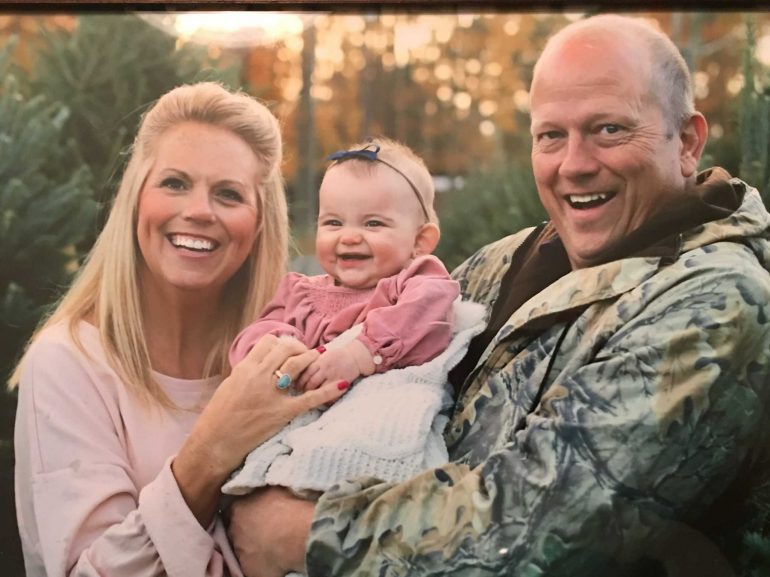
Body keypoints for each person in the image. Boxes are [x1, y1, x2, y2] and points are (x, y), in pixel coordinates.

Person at [227, 14, 770, 577]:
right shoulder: (515, 257)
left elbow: (536, 526)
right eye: (550, 136)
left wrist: (303, 533)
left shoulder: (714, 299)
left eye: (609, 129)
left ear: (686, 142)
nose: (574, 165)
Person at [12, 82, 347, 577]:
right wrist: (212, 447)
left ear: (257, 225)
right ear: (135, 200)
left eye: (228, 194)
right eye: (174, 183)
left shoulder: (282, 356)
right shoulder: (68, 363)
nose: (198, 211)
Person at [220, 138, 484, 500]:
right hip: (304, 431)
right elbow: (256, 337)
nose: (349, 236)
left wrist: (361, 352)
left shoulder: (414, 281)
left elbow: (429, 309)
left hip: (375, 421)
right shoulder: (300, 292)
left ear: (420, 241)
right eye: (333, 222)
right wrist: (278, 348)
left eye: (373, 223)